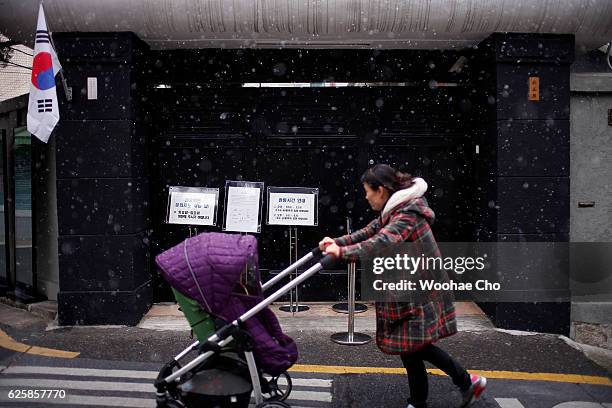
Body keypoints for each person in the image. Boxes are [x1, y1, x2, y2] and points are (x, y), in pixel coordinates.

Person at [320, 164, 486, 408]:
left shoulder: (406, 215)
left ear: (382, 190)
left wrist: (342, 252)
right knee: (413, 348)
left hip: (422, 293)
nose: (365, 196)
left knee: (414, 347)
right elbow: (370, 231)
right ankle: (451, 388)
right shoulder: (395, 211)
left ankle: (455, 386)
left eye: (368, 191)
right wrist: (337, 241)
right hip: (411, 290)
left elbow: (381, 242)